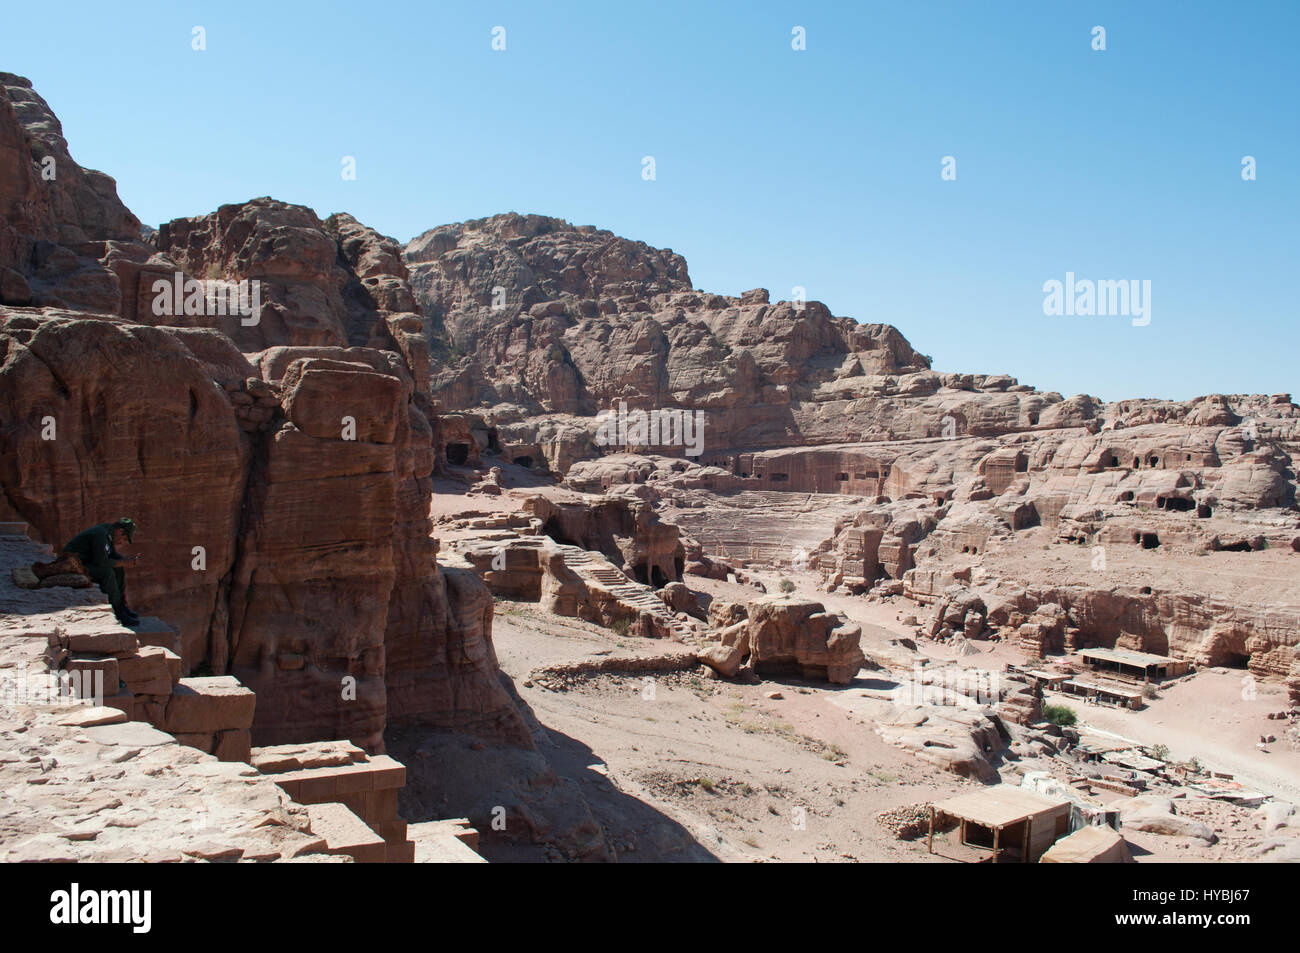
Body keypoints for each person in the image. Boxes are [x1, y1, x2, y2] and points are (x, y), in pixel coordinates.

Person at [62, 518, 142, 627]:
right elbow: (101, 561)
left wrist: (126, 560)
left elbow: (112, 555)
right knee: (106, 572)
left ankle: (122, 606)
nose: (122, 542)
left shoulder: (108, 533)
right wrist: (124, 562)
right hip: (72, 565)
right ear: (119, 531)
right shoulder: (100, 534)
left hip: (84, 562)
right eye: (124, 538)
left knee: (119, 568)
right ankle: (117, 612)